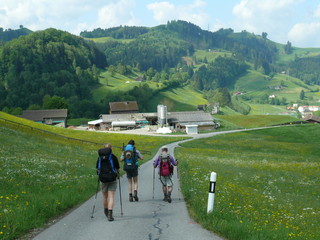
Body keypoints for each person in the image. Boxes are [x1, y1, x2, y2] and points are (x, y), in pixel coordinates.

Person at [96, 143, 120, 221]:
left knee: (105, 197)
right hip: (112, 179)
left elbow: (98, 169)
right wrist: (118, 173)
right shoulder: (113, 157)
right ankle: (110, 214)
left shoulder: (99, 158)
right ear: (111, 149)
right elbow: (118, 169)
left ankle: (105, 211)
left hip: (103, 179)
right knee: (111, 197)